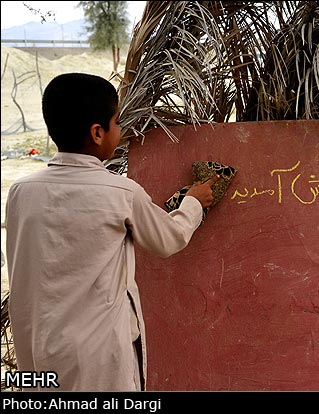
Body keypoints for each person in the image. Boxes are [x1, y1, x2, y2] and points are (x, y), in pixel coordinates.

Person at [5, 72, 219, 391]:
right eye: (116, 123)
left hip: (36, 351)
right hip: (95, 359)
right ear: (97, 132)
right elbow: (168, 238)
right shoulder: (119, 193)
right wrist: (193, 203)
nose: (120, 131)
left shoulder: (21, 191)